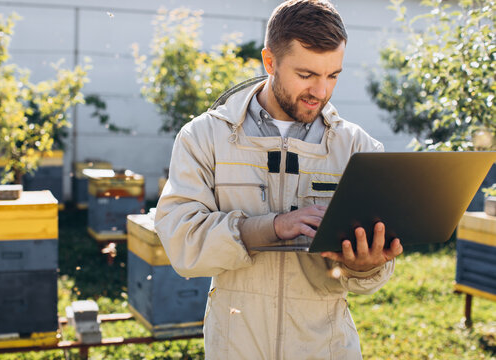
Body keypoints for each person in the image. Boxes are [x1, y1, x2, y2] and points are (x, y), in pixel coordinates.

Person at [155, 0, 403, 359]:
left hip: (327, 349)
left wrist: (365, 265)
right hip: (235, 347)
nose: (321, 91)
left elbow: (373, 269)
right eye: (306, 75)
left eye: (333, 75)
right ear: (270, 61)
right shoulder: (204, 137)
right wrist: (272, 226)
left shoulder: (358, 148)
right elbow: (182, 243)